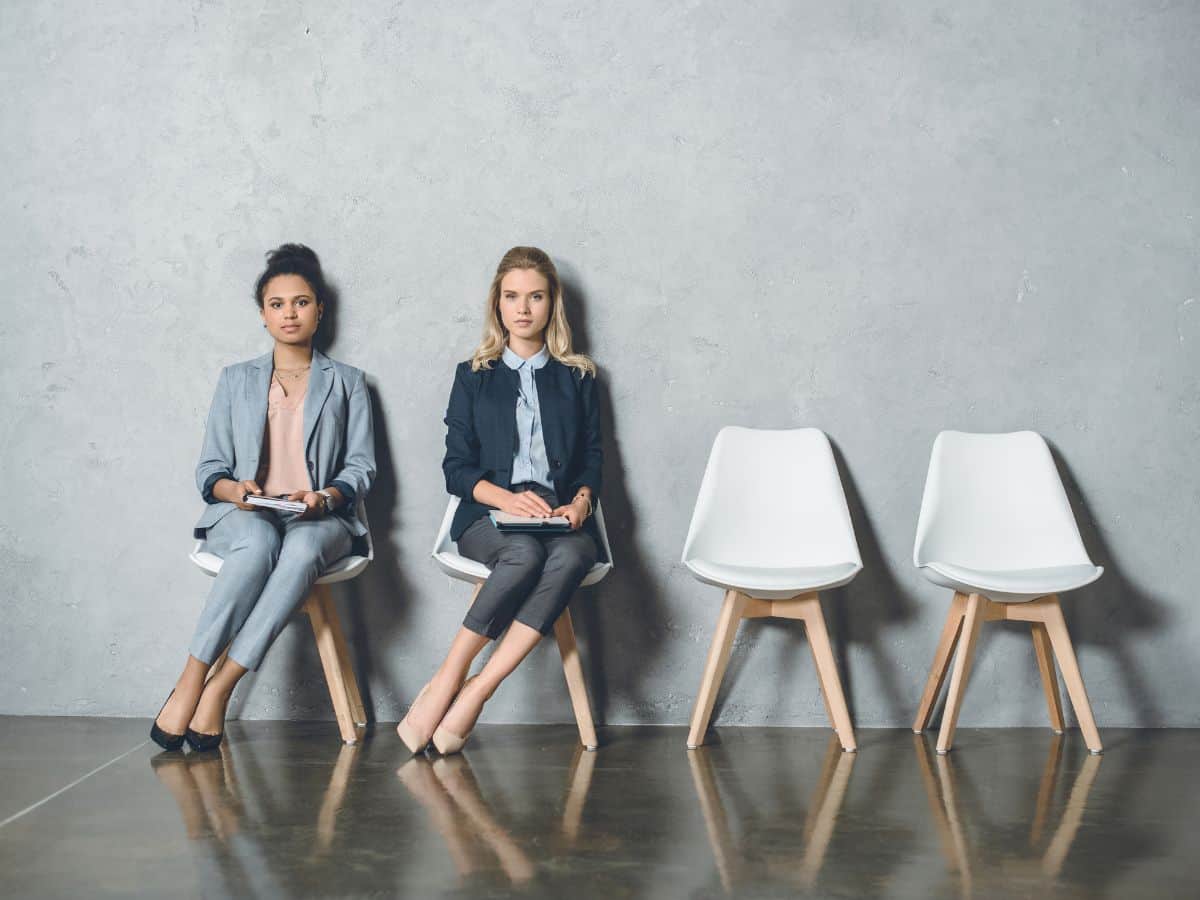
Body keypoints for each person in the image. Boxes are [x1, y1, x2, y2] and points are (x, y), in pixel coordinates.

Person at [151, 244, 375, 752]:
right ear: (263, 315)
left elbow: (362, 467)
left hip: (319, 516)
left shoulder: (349, 383)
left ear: (320, 310)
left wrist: (325, 496)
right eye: (277, 304)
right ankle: (191, 682)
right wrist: (237, 491)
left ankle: (220, 688)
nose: (289, 313)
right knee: (255, 546)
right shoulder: (235, 380)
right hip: (246, 512)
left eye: (301, 302)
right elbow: (209, 470)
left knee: (297, 550)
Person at [398, 246, 603, 755]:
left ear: (552, 303)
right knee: (523, 555)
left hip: (557, 515)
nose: (524, 308)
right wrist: (507, 501)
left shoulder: (578, 377)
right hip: (488, 514)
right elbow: (456, 469)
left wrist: (580, 503)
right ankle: (449, 679)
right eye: (512, 296)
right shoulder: (474, 375)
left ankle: (478, 692)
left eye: (536, 296)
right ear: (497, 303)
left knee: (575, 554)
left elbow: (594, 458)